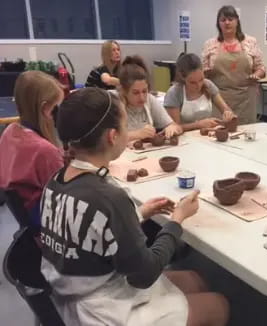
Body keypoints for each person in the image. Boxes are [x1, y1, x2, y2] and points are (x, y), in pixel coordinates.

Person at [40, 87, 229, 326]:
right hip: (103, 310)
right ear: (112, 136)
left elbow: (89, 231)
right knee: (218, 304)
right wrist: (176, 221)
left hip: (73, 293)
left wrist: (137, 214)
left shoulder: (56, 181)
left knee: (194, 279)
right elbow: (144, 274)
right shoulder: (109, 197)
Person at [0, 71, 64, 225]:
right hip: (49, 226)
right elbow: (67, 195)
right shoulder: (45, 151)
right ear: (44, 109)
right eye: (55, 108)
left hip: (27, 220)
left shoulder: (9, 132)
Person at [202, 5, 266, 125]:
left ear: (237, 22)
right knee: (219, 131)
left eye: (230, 19)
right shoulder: (210, 44)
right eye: (223, 20)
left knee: (246, 134)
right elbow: (203, 72)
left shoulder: (250, 42)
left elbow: (261, 67)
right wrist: (206, 73)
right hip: (219, 98)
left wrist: (256, 75)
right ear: (218, 23)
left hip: (246, 98)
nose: (227, 23)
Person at [164, 53, 236, 131]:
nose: (198, 85)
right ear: (182, 77)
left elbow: (226, 109)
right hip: (184, 139)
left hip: (206, 135)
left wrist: (228, 114)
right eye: (193, 82)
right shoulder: (174, 93)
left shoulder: (208, 85)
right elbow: (174, 127)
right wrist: (198, 125)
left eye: (201, 79)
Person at [117, 55, 182, 141]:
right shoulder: (114, 104)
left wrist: (172, 128)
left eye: (144, 91)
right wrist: (136, 134)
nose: (142, 97)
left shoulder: (150, 100)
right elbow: (107, 141)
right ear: (123, 91)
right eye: (136, 93)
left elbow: (177, 126)